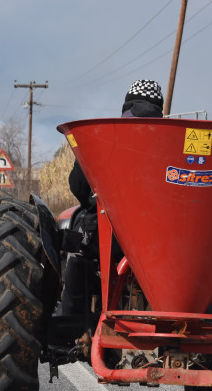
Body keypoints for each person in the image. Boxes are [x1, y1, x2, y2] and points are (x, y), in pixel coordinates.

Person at [61, 80, 164, 316]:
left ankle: (72, 321)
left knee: (77, 251)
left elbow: (78, 186)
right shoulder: (174, 138)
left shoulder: (104, 135)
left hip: (108, 236)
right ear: (159, 106)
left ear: (126, 103)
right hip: (160, 241)